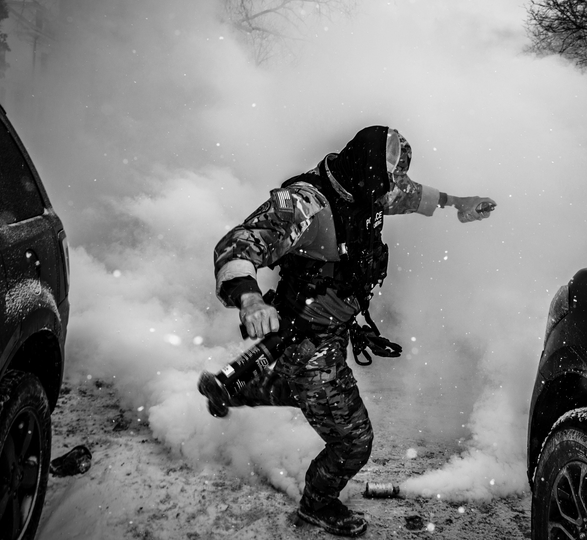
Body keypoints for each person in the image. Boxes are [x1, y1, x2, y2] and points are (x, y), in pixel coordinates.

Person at [201, 125, 495, 537]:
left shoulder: (365, 186)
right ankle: (316, 505)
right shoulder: (305, 205)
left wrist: (457, 203)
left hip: (329, 330)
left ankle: (231, 389)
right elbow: (237, 244)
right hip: (308, 339)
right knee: (353, 440)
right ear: (365, 170)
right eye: (386, 182)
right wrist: (249, 299)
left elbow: (409, 195)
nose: (391, 191)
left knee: (301, 391)